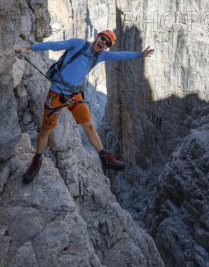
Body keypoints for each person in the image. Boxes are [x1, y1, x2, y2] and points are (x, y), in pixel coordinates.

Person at [16, 30, 154, 184]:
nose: (103, 43)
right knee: (45, 131)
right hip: (57, 91)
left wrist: (140, 55)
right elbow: (54, 45)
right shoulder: (78, 44)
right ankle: (37, 161)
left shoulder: (100, 56)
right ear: (97, 36)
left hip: (74, 95)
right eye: (103, 39)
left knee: (89, 126)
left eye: (107, 43)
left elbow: (120, 55)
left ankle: (104, 157)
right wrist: (29, 48)